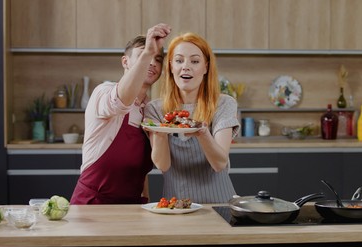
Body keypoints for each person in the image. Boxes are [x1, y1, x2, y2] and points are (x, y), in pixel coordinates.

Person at [70, 23, 171, 204]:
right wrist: (148, 52)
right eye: (144, 55)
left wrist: (145, 200)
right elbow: (122, 99)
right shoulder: (104, 92)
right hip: (93, 203)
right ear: (125, 62)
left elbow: (141, 168)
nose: (153, 63)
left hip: (132, 206)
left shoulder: (150, 110)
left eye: (158, 59)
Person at [144, 32, 240, 204]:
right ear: (171, 66)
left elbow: (219, 163)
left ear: (206, 67)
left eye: (195, 61)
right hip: (178, 205)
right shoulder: (155, 110)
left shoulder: (224, 104)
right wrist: (159, 132)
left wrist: (203, 133)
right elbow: (162, 165)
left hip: (220, 204)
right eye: (179, 60)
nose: (186, 67)